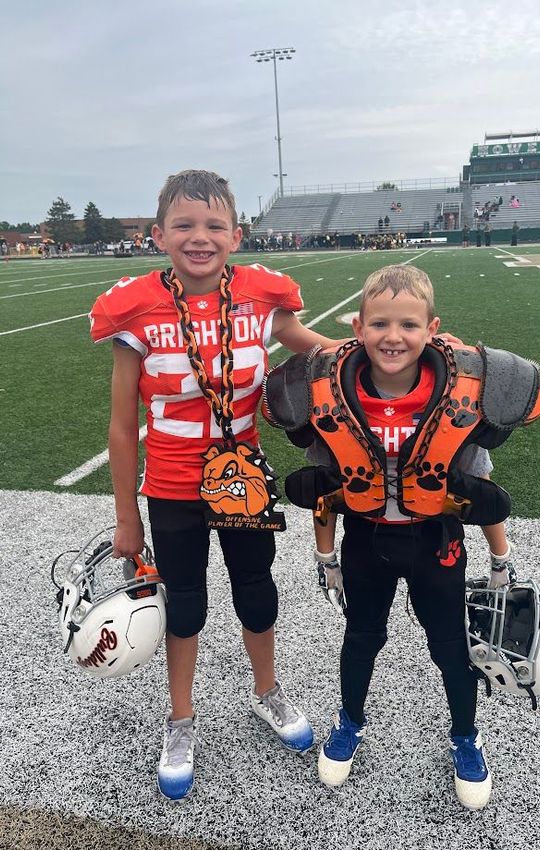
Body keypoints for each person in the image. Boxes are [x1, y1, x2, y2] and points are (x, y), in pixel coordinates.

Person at [88, 169, 345, 802]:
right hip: (172, 482)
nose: (198, 237)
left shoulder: (261, 296)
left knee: (256, 592)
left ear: (236, 234)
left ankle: (267, 691)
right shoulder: (137, 307)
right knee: (188, 602)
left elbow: (320, 350)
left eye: (213, 226)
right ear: (159, 235)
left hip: (242, 480)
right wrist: (128, 516)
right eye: (183, 225)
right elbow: (122, 429)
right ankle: (181, 719)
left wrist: (388, 345)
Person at [263, 264, 540, 810]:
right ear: (358, 326)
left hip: (436, 542)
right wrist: (326, 556)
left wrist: (501, 556)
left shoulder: (463, 393)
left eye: (410, 326)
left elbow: (479, 483)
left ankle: (466, 736)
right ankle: (350, 724)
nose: (394, 337)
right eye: (381, 324)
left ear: (432, 328)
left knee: (449, 645)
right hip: (366, 542)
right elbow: (326, 489)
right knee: (361, 638)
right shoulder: (328, 395)